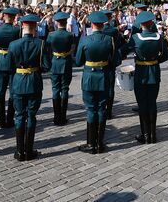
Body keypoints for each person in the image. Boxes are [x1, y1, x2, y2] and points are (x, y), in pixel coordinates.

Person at [74, 11, 121, 154]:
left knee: (90, 109)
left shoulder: (85, 40)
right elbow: (115, 61)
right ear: (102, 24)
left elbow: (78, 61)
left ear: (92, 24)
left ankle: (90, 143)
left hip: (89, 77)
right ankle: (99, 143)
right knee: (101, 108)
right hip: (104, 76)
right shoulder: (109, 40)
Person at [120, 11, 168, 144]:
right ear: (151, 23)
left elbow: (123, 51)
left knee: (142, 104)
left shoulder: (136, 38)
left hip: (141, 73)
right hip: (154, 72)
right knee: (152, 103)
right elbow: (166, 56)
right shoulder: (159, 37)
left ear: (141, 24)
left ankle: (145, 135)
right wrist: (154, 61)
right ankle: (153, 135)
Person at [9, 14, 51, 161]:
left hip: (19, 81)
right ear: (35, 28)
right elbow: (46, 66)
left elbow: (9, 67)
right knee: (31, 116)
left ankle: (20, 151)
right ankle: (29, 150)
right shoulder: (41, 44)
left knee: (19, 115)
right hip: (34, 81)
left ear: (22, 27)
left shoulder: (13, 44)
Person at [0, 7, 21, 128]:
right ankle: (10, 119)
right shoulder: (16, 30)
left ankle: (1, 120)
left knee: (0, 92)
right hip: (12, 61)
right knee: (13, 92)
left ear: (4, 16)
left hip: (0, 60)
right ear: (14, 17)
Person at [47, 11, 75, 126]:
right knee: (64, 89)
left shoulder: (51, 35)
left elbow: (48, 50)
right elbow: (73, 48)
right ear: (65, 22)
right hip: (66, 63)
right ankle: (62, 116)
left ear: (57, 22)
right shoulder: (69, 35)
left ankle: (56, 116)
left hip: (54, 63)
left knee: (55, 89)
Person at [101, 9, 124, 119]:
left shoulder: (98, 29)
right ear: (110, 18)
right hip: (110, 61)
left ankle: (101, 109)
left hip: (99, 62)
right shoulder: (113, 30)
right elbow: (119, 43)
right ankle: (109, 112)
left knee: (101, 86)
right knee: (110, 87)